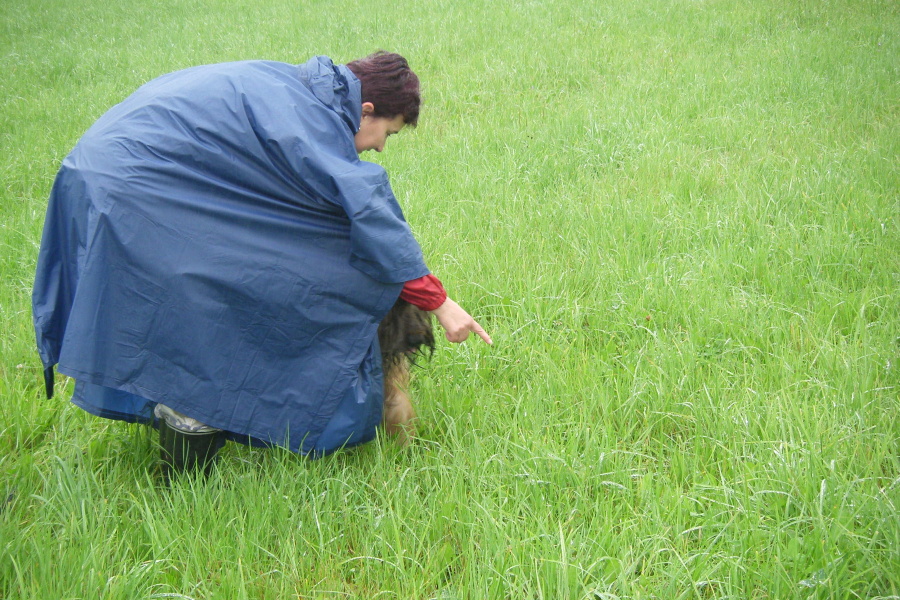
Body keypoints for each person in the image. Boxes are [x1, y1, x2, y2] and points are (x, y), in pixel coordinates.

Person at [32, 52, 491, 472]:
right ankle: (189, 429)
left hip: (103, 173)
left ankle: (192, 412)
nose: (380, 148)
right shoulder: (315, 119)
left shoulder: (301, 92)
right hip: (131, 189)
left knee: (228, 278)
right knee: (207, 293)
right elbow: (369, 216)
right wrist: (441, 303)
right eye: (386, 133)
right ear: (366, 110)